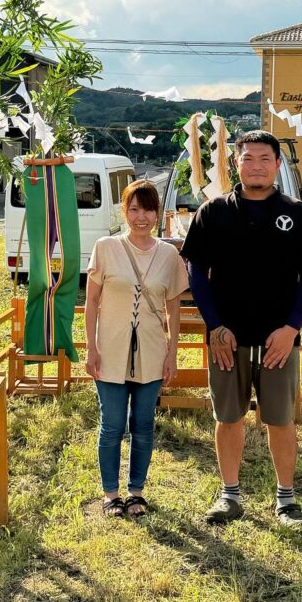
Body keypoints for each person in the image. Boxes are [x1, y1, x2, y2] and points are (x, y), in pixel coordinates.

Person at [180, 131, 302, 527]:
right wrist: (214, 326)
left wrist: (290, 328)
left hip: (277, 339)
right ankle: (229, 494)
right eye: (248, 158)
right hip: (226, 339)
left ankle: (286, 498)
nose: (257, 165)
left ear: (278, 165)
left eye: (265, 158)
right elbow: (197, 273)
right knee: (227, 417)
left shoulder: (298, 214)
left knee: (280, 419)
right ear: (236, 164)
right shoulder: (213, 213)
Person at [85, 179, 188, 518]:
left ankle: (136, 492)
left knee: (143, 425)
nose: (140, 216)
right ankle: (110, 494)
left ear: (157, 213)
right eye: (133, 209)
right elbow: (91, 302)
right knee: (112, 424)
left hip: (152, 351)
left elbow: (173, 308)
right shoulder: (105, 247)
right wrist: (91, 347)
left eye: (147, 209)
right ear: (124, 211)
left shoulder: (169, 254)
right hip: (110, 349)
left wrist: (172, 353)